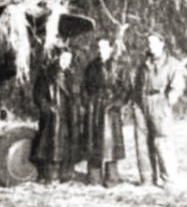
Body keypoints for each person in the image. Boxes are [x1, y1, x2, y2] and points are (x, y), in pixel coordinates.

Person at [131, 33, 185, 189]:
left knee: (162, 141)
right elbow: (137, 84)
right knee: (142, 142)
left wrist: (168, 101)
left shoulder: (171, 63)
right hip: (142, 103)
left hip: (159, 102)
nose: (150, 46)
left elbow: (177, 86)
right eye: (149, 43)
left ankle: (169, 179)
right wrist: (136, 104)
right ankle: (147, 178)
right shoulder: (144, 63)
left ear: (162, 44)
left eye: (154, 43)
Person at [32, 47, 82, 183]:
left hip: (67, 115)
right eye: (64, 58)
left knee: (65, 145)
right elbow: (38, 94)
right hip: (53, 117)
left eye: (69, 59)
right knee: (52, 146)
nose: (67, 61)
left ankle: (64, 175)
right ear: (58, 57)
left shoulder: (70, 74)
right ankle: (51, 177)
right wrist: (48, 109)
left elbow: (75, 94)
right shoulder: (47, 74)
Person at [82, 38, 126, 186]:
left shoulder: (118, 66)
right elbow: (84, 88)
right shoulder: (91, 66)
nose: (102, 50)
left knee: (111, 143)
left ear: (110, 48)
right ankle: (94, 178)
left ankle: (112, 178)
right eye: (99, 47)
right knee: (93, 142)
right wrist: (88, 104)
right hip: (94, 108)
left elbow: (126, 89)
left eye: (104, 47)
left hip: (111, 109)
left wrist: (117, 104)